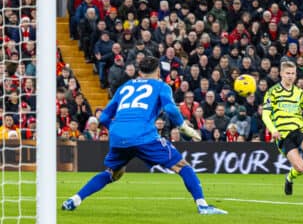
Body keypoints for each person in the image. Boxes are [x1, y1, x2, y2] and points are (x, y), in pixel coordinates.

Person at [62, 56, 227, 215]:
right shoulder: (161, 86)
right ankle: (203, 206)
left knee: (112, 173)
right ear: (158, 72)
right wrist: (182, 126)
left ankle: (74, 199)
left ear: (140, 72)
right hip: (144, 135)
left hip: (118, 136)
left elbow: (104, 117)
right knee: (182, 166)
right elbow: (170, 109)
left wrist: (116, 129)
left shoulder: (125, 86)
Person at [261, 60, 303, 196]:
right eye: (287, 73)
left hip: (299, 130)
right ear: (281, 74)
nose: (290, 76)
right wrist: (273, 129)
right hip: (283, 135)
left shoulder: (300, 93)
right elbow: (265, 115)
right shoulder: (272, 92)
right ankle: (289, 178)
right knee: (300, 168)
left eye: (293, 73)